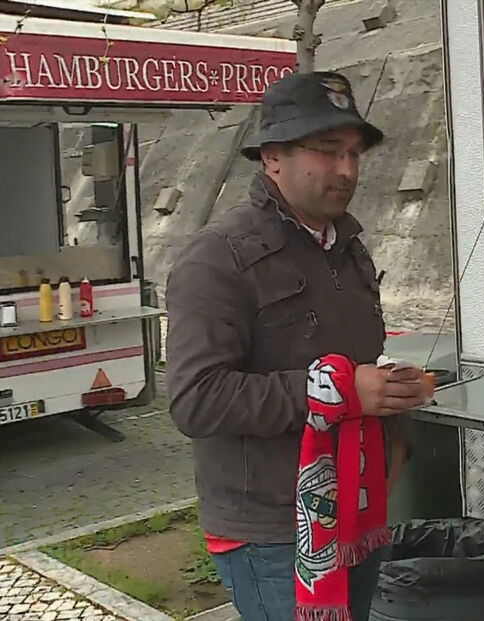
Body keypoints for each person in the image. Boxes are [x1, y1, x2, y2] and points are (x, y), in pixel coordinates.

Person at [165, 71, 429, 621]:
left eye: (354, 154)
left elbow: (362, 364)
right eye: (327, 150)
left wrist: (393, 417)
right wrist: (337, 391)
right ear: (272, 157)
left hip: (357, 513)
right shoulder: (219, 257)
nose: (347, 170)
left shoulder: (349, 248)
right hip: (273, 532)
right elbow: (196, 399)